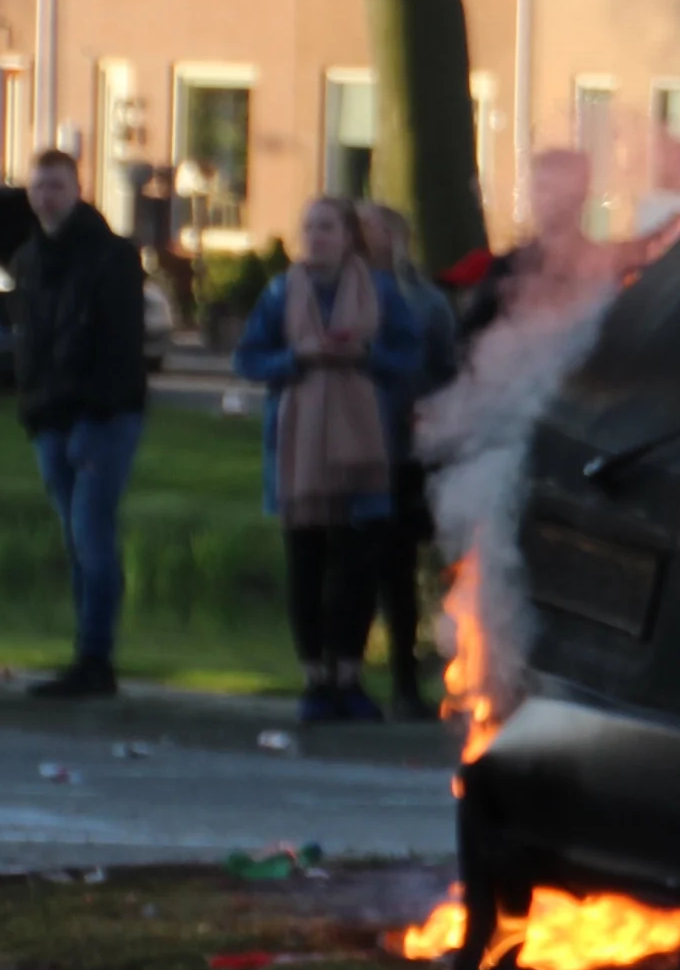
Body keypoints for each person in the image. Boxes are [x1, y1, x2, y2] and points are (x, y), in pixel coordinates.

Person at [234, 197, 424, 723]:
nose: (316, 238)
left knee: (357, 570)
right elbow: (248, 358)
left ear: (347, 237)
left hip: (364, 447)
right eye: (309, 228)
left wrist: (366, 356)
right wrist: (296, 357)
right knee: (307, 564)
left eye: (326, 228)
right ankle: (315, 679)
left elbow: (410, 356)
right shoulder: (280, 292)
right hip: (297, 451)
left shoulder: (380, 291)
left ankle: (349, 677)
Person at [9, 146, 151, 699]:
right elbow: (29, 341)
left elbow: (121, 345)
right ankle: (86, 655)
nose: (47, 197)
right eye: (39, 186)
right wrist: (33, 408)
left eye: (56, 186)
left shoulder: (111, 256)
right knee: (75, 539)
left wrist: (97, 409)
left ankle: (96, 657)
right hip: (50, 416)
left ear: (77, 190)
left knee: (92, 535)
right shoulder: (28, 261)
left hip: (103, 417)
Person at [358, 203, 461, 713]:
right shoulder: (335, 293)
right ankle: (342, 675)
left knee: (398, 565)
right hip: (349, 450)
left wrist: (433, 420)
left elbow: (445, 371)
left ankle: (405, 677)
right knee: (356, 565)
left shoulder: (425, 302)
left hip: (403, 451)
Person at [443, 146, 610, 346]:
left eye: (557, 190)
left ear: (580, 195)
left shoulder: (604, 268)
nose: (545, 199)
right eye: (540, 188)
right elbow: (471, 338)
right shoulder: (509, 268)